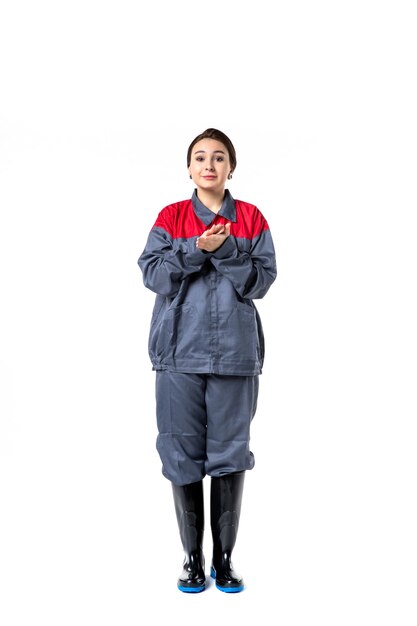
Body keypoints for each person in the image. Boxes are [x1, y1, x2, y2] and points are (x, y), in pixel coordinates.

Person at [137, 128, 277, 593]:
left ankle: (224, 560)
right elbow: (153, 274)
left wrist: (228, 250)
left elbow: (261, 281)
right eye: (201, 157)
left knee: (230, 453)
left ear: (231, 167)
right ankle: (192, 560)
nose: (210, 164)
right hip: (177, 354)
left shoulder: (252, 218)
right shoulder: (172, 217)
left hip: (236, 356)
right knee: (180, 454)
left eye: (219, 157)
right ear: (190, 167)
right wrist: (196, 248)